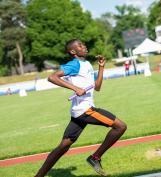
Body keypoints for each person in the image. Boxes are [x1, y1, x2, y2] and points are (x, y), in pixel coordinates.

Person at [35, 39, 127, 177]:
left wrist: (101, 67)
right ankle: (95, 158)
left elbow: (98, 87)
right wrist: (75, 88)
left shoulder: (87, 64)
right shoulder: (74, 64)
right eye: (80, 45)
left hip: (79, 111)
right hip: (85, 110)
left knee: (63, 146)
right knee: (120, 126)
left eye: (83, 44)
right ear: (73, 52)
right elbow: (52, 77)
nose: (84, 46)